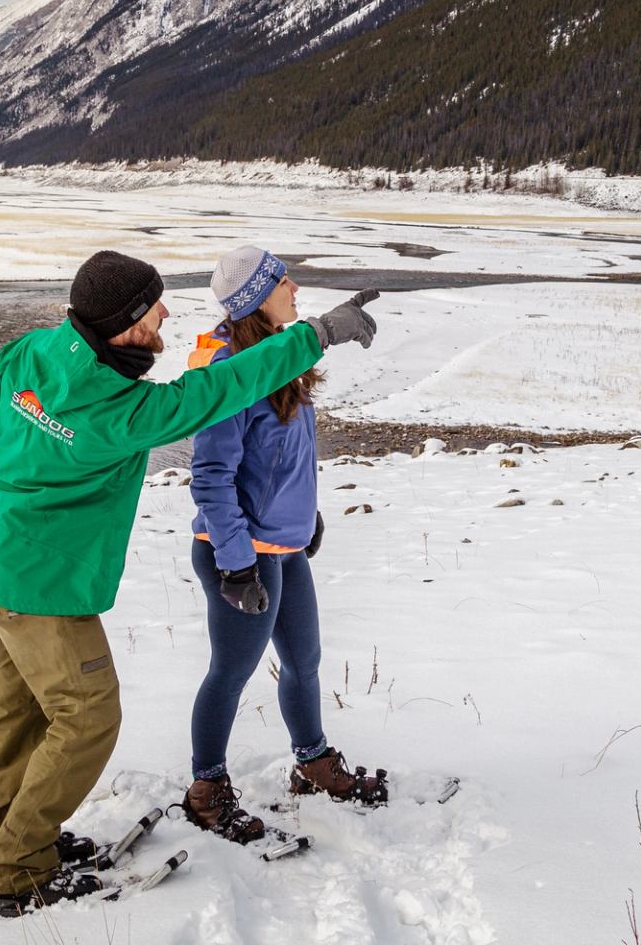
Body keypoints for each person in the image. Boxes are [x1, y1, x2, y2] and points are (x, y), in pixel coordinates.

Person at [0, 248, 380, 915]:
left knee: (20, 717)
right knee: (87, 717)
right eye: (153, 306)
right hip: (40, 587)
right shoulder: (117, 408)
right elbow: (214, 391)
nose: (167, 311)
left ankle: (16, 841)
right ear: (124, 324)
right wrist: (317, 335)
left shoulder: (33, 352)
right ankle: (19, 869)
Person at [179, 245, 389, 845]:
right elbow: (211, 478)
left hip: (283, 549)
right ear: (253, 298)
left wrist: (305, 515)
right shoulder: (228, 372)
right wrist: (236, 563)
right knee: (231, 672)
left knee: (305, 661)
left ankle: (314, 763)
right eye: (280, 280)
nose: (293, 287)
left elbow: (282, 458)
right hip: (240, 556)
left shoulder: (275, 360)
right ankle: (206, 789)